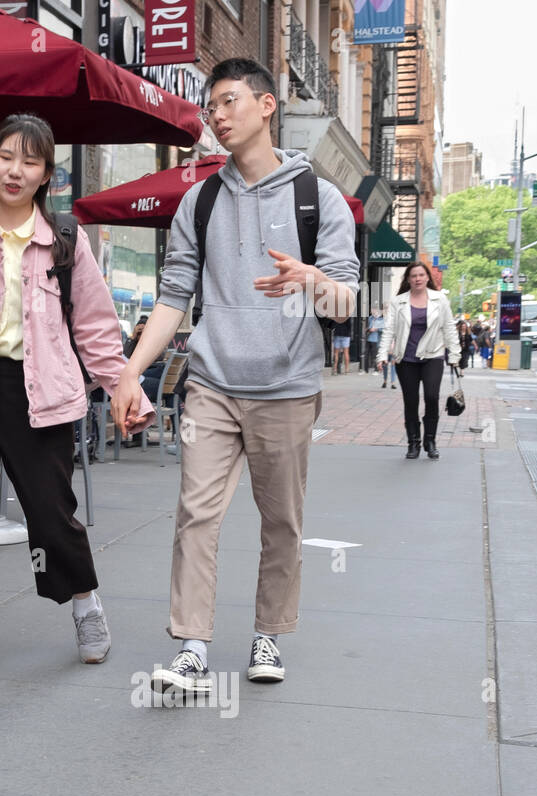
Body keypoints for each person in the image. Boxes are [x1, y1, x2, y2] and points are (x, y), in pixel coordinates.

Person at [113, 58, 360, 695]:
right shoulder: (201, 200)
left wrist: (313, 282)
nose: (216, 116)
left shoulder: (318, 196)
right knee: (196, 514)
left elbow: (347, 303)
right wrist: (129, 373)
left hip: (287, 388)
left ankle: (268, 634)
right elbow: (173, 296)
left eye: (228, 102)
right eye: (211, 106)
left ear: (267, 105)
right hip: (213, 386)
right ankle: (193, 645)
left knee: (281, 522)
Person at [0, 112, 153, 693]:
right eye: (6, 156)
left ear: (45, 175)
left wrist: (120, 385)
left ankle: (86, 603)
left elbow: (92, 325)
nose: (15, 170)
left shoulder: (65, 240)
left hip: (43, 396)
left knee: (50, 517)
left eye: (30, 161)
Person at [377, 262, 459, 460]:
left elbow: (449, 327)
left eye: (421, 275)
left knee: (432, 397)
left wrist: (455, 355)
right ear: (408, 279)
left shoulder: (440, 299)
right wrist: (381, 355)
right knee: (410, 401)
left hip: (433, 356)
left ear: (428, 277)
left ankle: (430, 441)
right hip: (406, 358)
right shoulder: (399, 302)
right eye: (413, 276)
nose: (418, 279)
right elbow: (389, 330)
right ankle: (413, 443)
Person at [365, 302, 384, 379]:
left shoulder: (381, 319)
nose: (372, 311)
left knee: (375, 356)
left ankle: (376, 370)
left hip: (376, 340)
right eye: (371, 310)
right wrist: (368, 329)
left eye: (374, 310)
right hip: (369, 338)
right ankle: (365, 370)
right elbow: (369, 327)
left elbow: (383, 329)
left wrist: (376, 329)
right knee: (366, 354)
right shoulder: (370, 318)